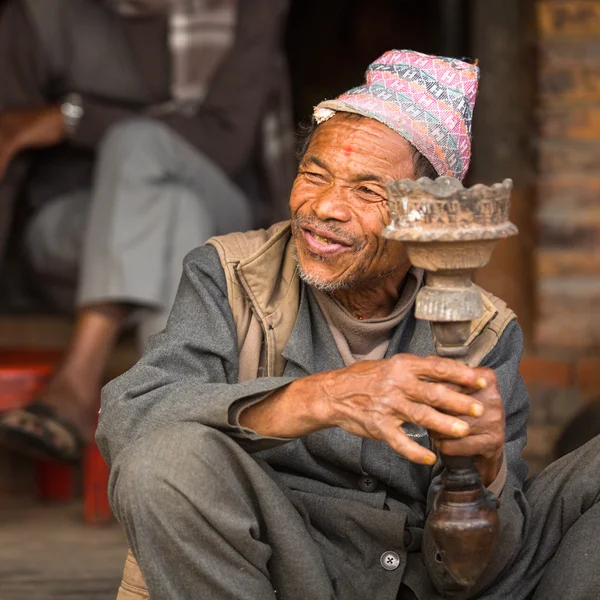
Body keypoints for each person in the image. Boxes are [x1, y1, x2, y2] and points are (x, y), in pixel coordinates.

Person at [98, 50, 600, 600]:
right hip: (281, 570)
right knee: (164, 461)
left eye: (367, 191)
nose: (325, 208)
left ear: (425, 218)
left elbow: (472, 572)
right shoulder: (233, 275)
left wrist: (483, 474)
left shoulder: (482, 330)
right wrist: (320, 398)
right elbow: (129, 417)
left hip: (419, 579)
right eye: (314, 174)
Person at [0, 0, 294, 463]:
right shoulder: (44, 14)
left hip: (221, 212)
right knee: (174, 209)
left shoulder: (250, 9)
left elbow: (226, 141)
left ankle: (79, 380)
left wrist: (74, 119)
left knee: (138, 147)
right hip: (73, 235)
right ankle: (168, 447)